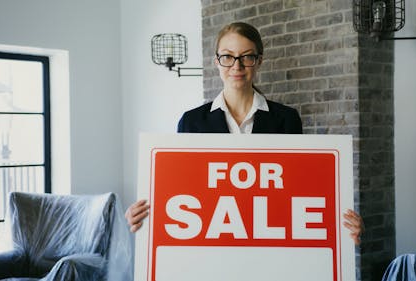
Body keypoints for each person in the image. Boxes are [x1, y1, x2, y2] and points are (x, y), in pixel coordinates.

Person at [125, 22, 364, 245]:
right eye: (228, 56)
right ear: (216, 61)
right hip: (212, 241)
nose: (236, 66)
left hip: (270, 238)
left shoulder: (286, 119)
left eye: (246, 56)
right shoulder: (191, 121)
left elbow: (301, 189)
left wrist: (341, 224)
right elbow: (181, 189)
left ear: (259, 61)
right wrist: (146, 213)